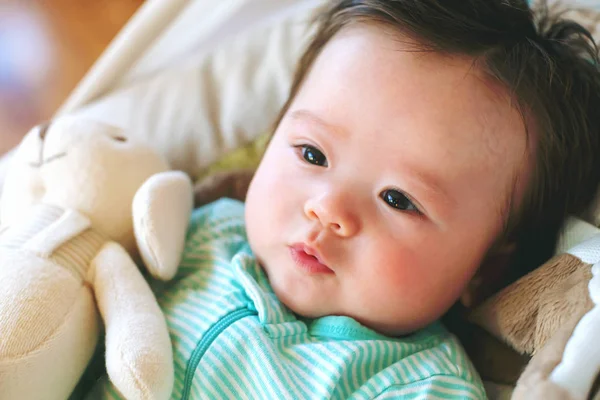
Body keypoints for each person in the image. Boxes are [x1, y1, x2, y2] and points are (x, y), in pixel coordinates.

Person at [96, 0, 600, 398]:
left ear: (485, 269)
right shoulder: (193, 232)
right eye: (312, 154)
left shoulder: (415, 385)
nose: (328, 207)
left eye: (398, 199)